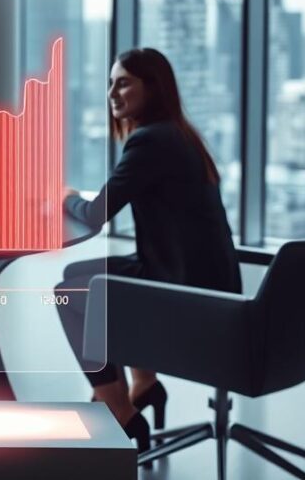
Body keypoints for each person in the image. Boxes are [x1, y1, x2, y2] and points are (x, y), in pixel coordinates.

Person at [56, 47, 242, 457]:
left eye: (123, 82)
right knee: (87, 278)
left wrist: (67, 198)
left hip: (187, 293)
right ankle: (144, 384)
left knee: (70, 292)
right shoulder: (178, 133)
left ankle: (117, 407)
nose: (113, 93)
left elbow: (95, 213)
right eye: (109, 83)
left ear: (153, 89)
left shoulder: (149, 142)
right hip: (208, 283)